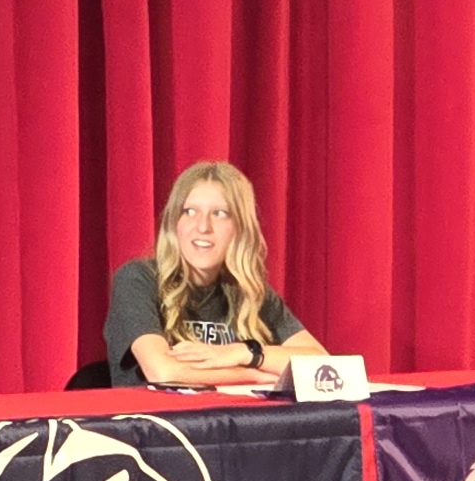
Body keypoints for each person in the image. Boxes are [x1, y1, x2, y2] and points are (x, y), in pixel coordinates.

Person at [105, 159, 327, 388]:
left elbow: (321, 364)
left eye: (220, 214)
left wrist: (244, 353)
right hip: (159, 421)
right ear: (174, 223)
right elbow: (163, 372)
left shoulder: (248, 292)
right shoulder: (138, 279)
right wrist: (257, 377)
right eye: (189, 212)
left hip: (232, 421)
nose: (203, 227)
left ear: (240, 228)